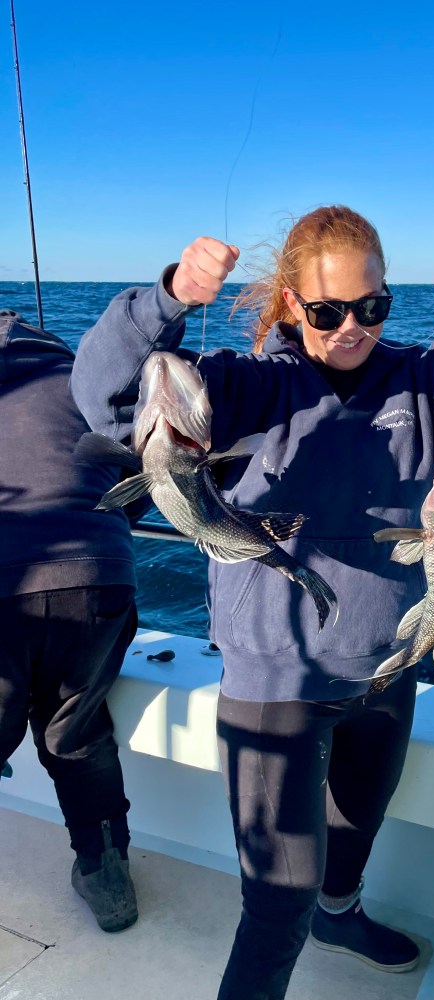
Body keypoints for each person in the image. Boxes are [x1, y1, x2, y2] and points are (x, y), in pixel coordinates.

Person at [71, 206, 434, 998]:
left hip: (385, 670)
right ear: (288, 304)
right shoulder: (243, 388)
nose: (352, 328)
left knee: (354, 834)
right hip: (277, 684)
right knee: (277, 900)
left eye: (371, 308)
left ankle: (340, 915)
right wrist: (167, 299)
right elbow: (105, 400)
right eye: (328, 311)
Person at [0, 310, 139, 933]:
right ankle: (106, 875)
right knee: (74, 736)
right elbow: (135, 483)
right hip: (99, 574)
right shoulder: (86, 382)